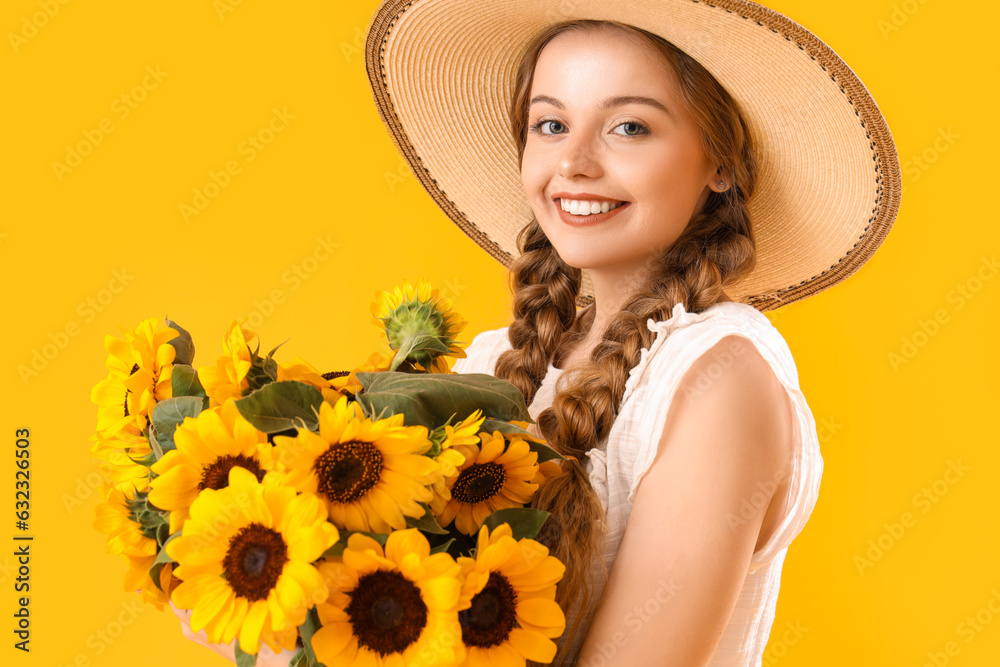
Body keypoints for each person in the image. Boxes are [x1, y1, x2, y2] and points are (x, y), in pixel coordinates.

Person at [177, 1, 900, 665]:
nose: (573, 162)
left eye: (629, 127)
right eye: (550, 124)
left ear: (719, 163)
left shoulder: (716, 379)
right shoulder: (494, 360)